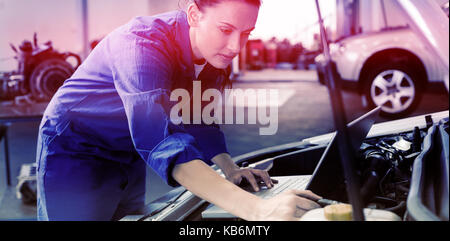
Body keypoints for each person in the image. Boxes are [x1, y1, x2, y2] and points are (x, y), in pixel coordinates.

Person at [36, 0, 321, 221]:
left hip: (128, 151)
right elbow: (158, 139)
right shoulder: (141, 44)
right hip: (76, 148)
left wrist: (230, 169)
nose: (236, 46)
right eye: (225, 30)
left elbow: (199, 120)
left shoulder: (211, 57)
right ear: (195, 14)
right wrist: (259, 211)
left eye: (246, 33)